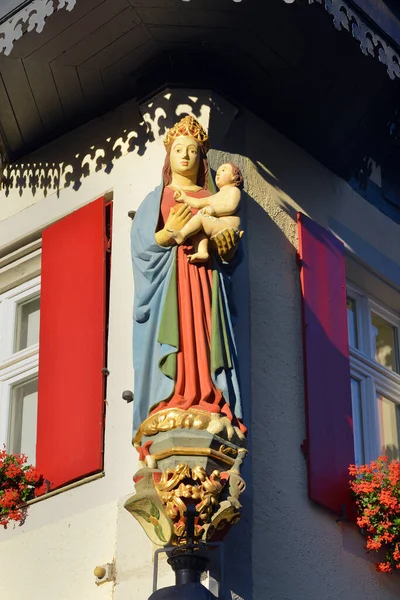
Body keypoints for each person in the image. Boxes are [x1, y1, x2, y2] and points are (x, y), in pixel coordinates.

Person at [130, 116, 245, 439]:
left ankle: (208, 396)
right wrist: (166, 234)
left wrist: (227, 249)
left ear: (202, 159)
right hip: (172, 282)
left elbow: (230, 253)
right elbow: (141, 247)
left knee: (205, 335)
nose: (185, 156)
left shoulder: (215, 200)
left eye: (192, 151)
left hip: (206, 280)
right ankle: (172, 397)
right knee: (179, 336)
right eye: (178, 150)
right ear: (169, 158)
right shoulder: (157, 199)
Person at [168, 163, 243, 263]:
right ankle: (202, 252)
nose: (218, 173)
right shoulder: (216, 196)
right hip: (217, 226)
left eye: (224, 170)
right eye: (218, 172)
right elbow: (199, 203)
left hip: (227, 227)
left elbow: (231, 206)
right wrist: (184, 198)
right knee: (196, 229)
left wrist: (214, 210)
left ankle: (182, 235)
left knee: (200, 218)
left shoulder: (234, 191)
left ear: (234, 177)